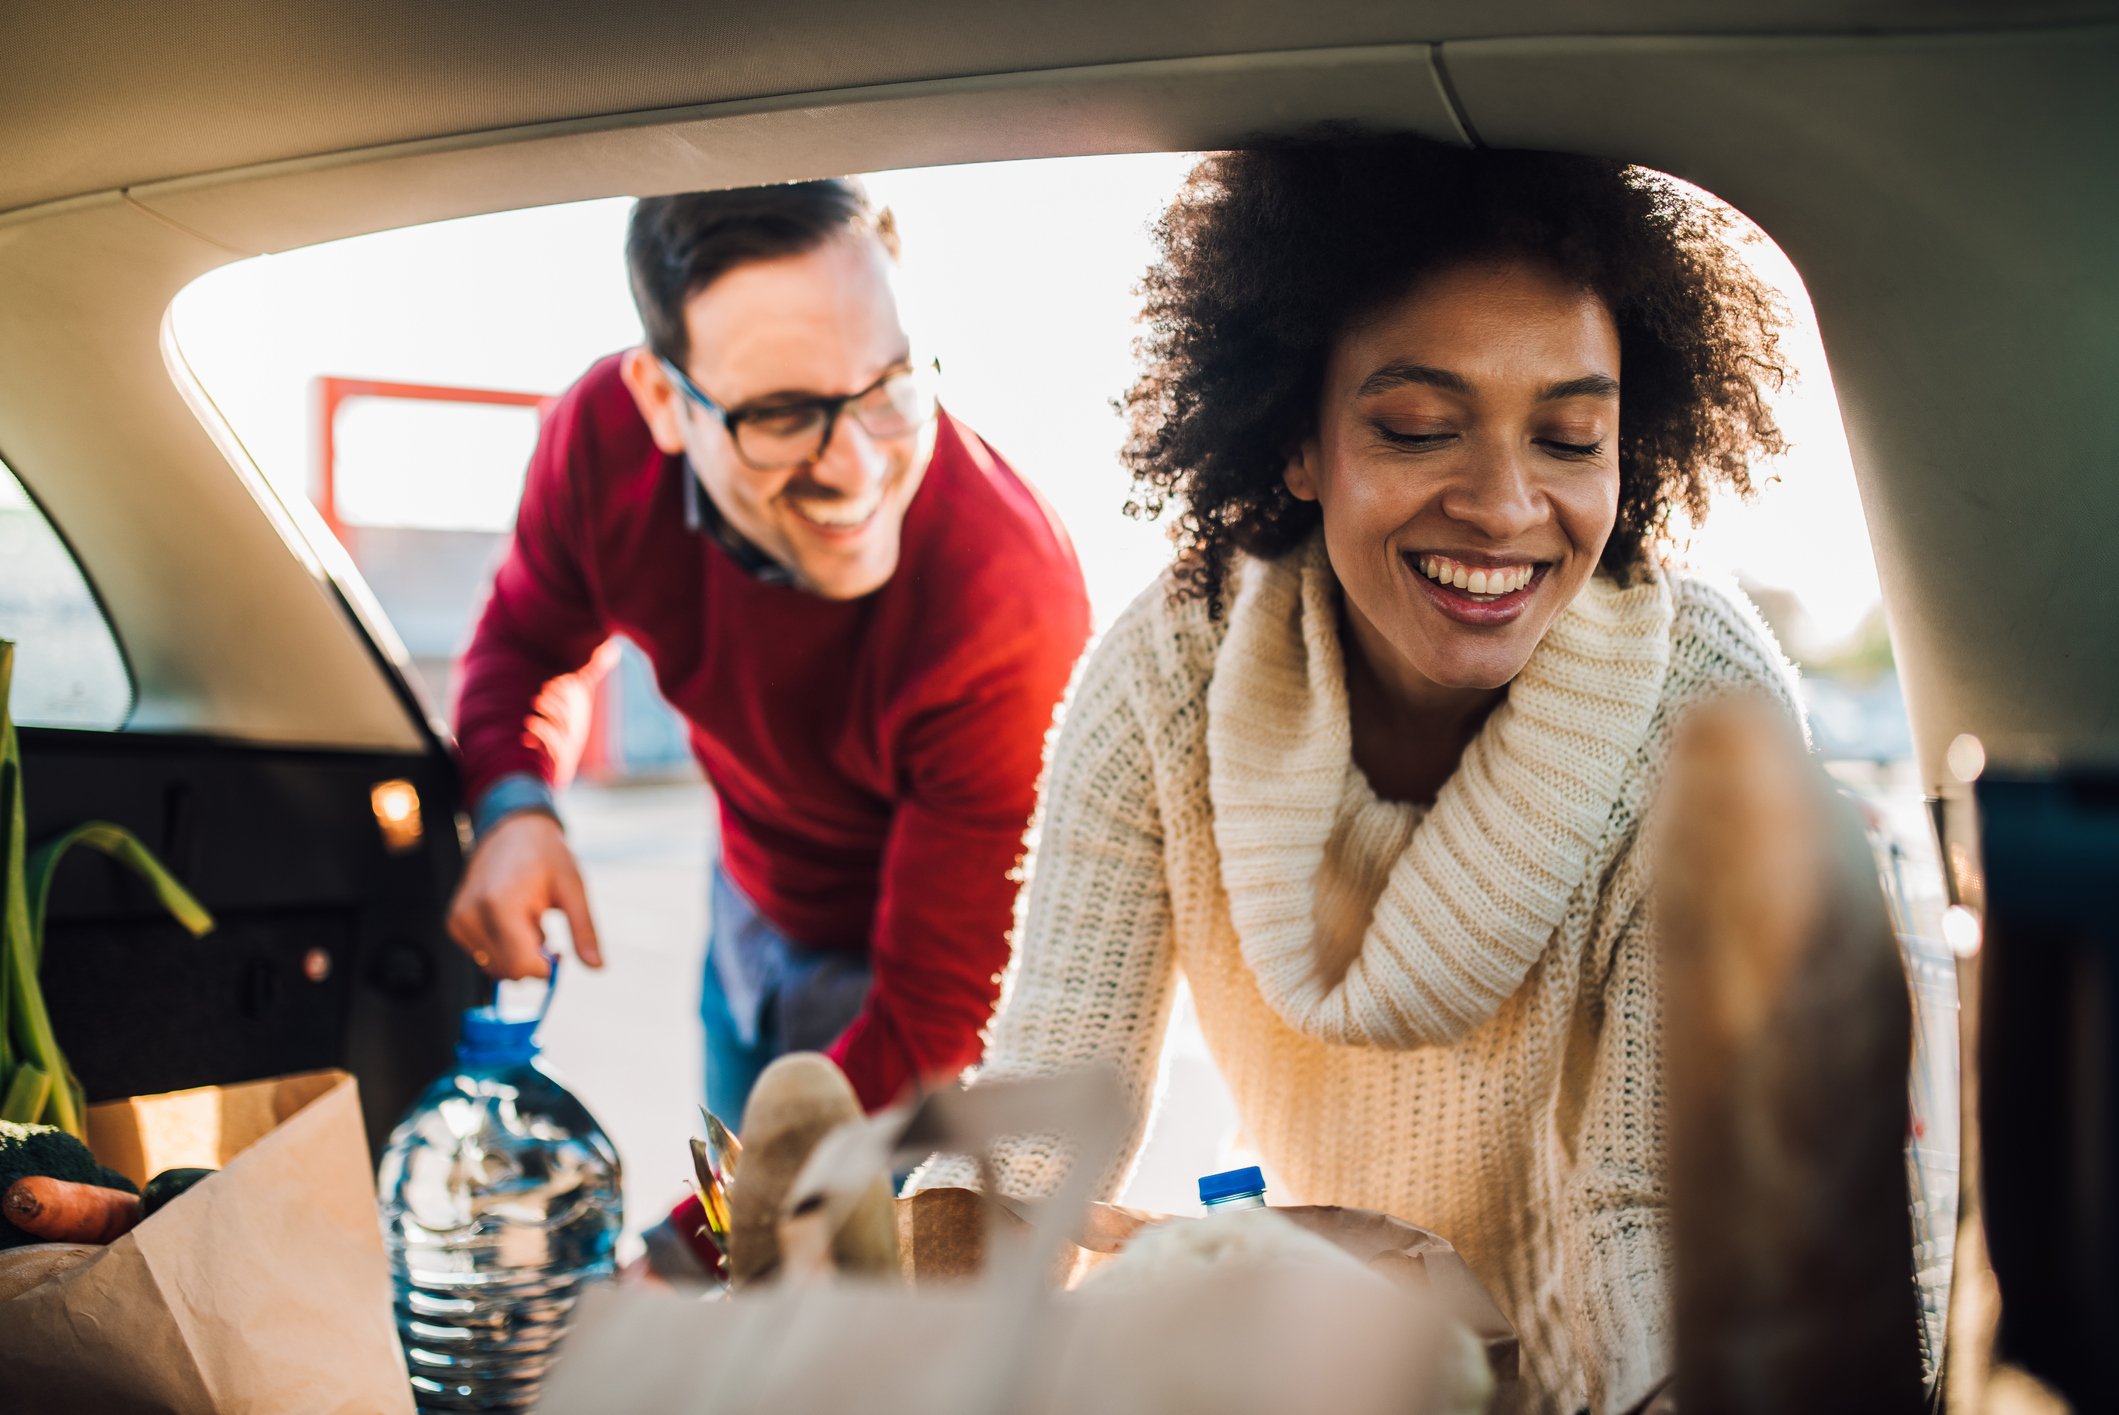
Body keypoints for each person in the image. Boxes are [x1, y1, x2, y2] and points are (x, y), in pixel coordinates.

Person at [910, 135, 1798, 1415]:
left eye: (1567, 437)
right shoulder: (1172, 666)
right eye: (1419, 427)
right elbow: (1045, 1080)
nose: (1502, 505)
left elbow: (1655, 1207)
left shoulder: (1706, 710)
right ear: (1297, 442)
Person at [446, 179, 1092, 1128]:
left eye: (890, 386)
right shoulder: (600, 446)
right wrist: (512, 806)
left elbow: (929, 1026)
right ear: (664, 401)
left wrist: (689, 1250)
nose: (859, 469)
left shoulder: (1006, 601)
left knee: (868, 1261)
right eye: (783, 415)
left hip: (923, 978)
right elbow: (525, 642)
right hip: (745, 917)